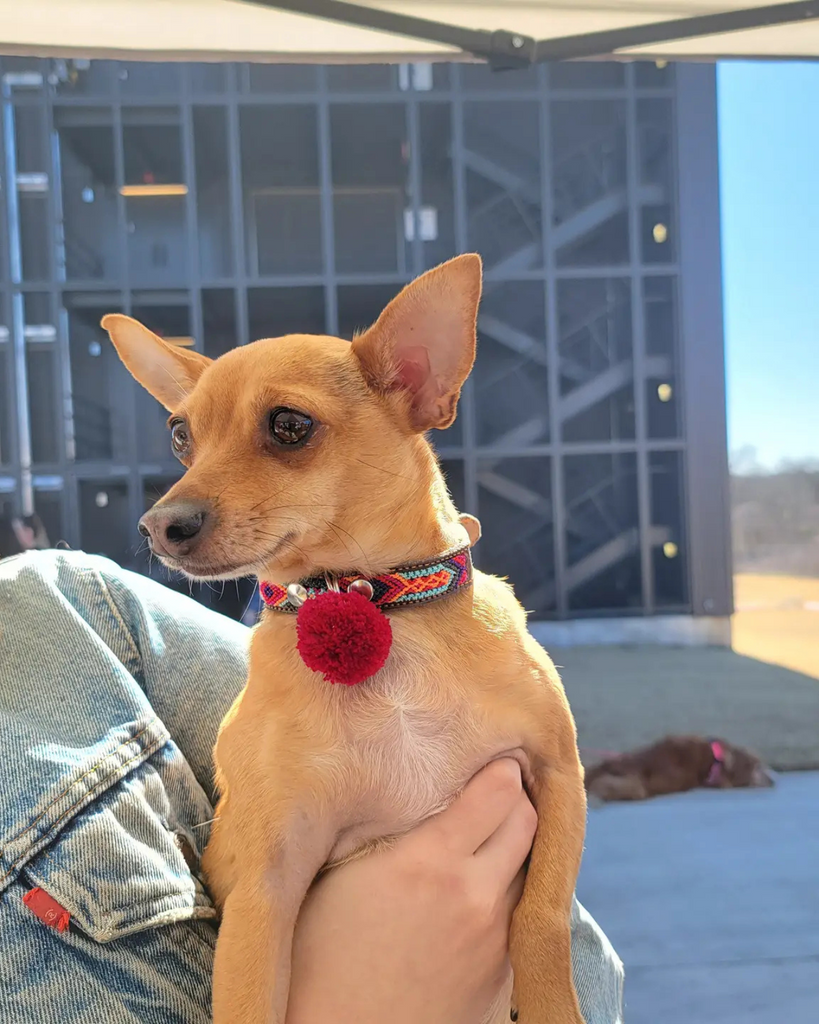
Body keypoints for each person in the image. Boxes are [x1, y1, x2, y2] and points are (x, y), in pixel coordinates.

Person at [0, 550, 623, 1024]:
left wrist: (541, 955)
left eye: (287, 430)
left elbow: (583, 955)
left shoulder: (64, 610)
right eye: (187, 440)